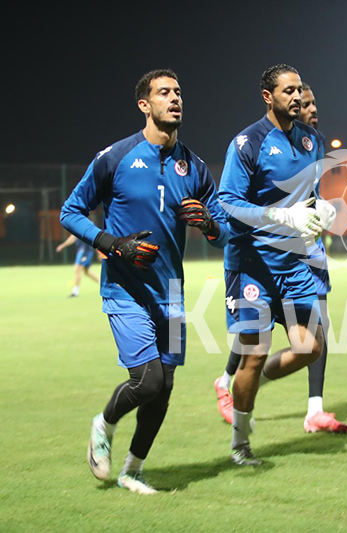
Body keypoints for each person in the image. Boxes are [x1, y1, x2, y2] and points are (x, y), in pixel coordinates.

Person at [60, 69, 228, 494]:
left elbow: (223, 230)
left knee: (165, 387)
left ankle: (133, 471)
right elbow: (71, 212)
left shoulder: (195, 166)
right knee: (147, 380)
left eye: (178, 93)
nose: (175, 99)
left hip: (170, 291)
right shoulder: (115, 157)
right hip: (126, 290)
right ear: (144, 105)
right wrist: (114, 244)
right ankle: (104, 422)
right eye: (164, 93)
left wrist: (208, 222)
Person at [213, 83, 347, 434]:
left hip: (296, 261)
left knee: (312, 345)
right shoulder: (248, 143)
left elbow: (310, 195)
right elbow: (228, 202)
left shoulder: (312, 141)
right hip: (253, 264)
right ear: (267, 95)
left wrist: (321, 212)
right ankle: (239, 433)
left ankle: (287, 397)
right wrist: (281, 216)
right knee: (253, 353)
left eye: (304, 95)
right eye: (290, 91)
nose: (302, 101)